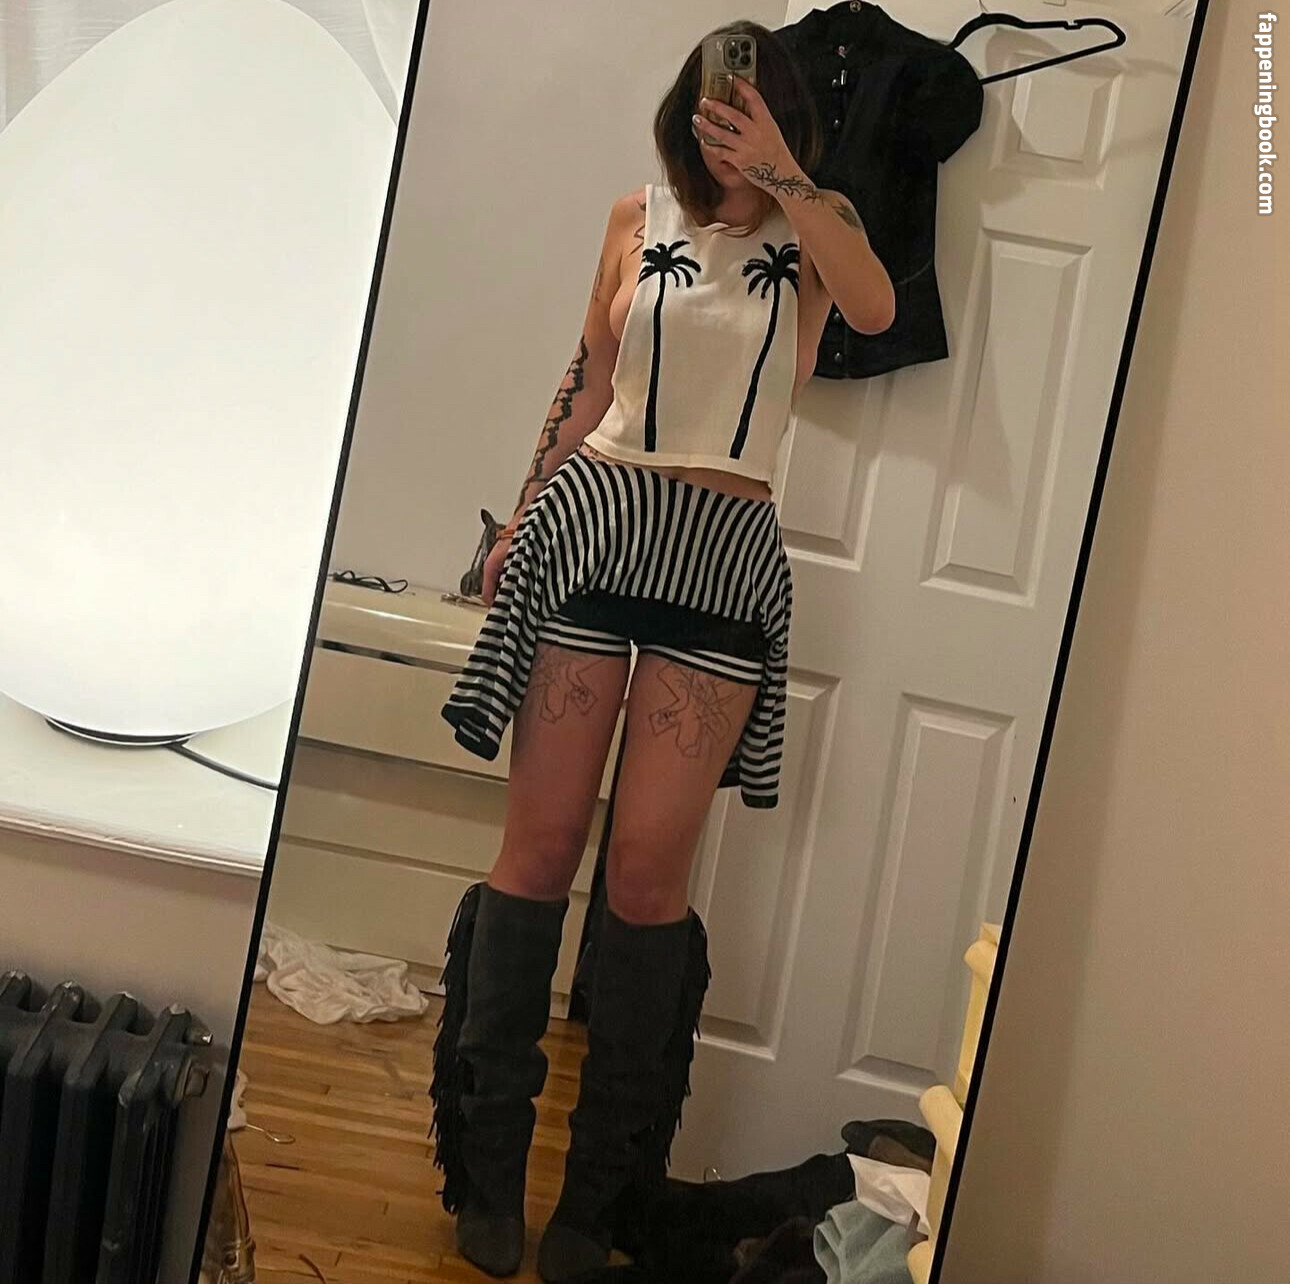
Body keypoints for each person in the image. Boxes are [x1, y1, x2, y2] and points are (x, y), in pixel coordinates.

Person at [429, 21, 895, 1282]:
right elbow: (590, 378)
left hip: (720, 557)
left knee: (644, 879)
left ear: (781, 112)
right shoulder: (634, 217)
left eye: (749, 101)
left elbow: (876, 305)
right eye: (711, 100)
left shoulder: (817, 232)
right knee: (538, 852)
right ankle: (486, 1170)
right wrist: (521, 516)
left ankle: (602, 1197)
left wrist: (784, 168)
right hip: (593, 527)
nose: (724, 118)